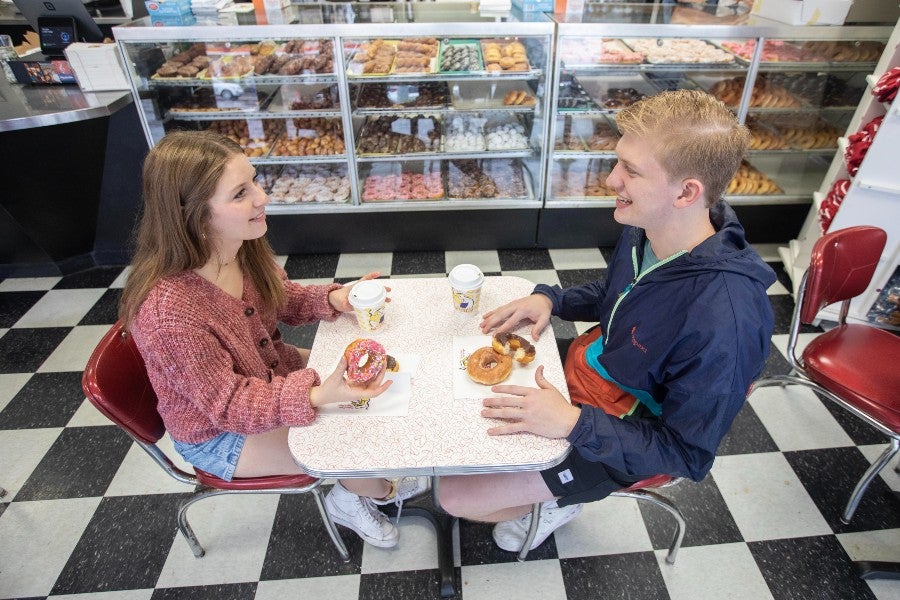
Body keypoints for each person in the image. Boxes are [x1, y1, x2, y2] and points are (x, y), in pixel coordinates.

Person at [438, 90, 776, 552]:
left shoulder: (725, 322)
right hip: (593, 372)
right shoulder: (651, 225)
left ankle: (561, 502)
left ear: (686, 191)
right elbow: (621, 295)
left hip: (632, 432)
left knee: (457, 495)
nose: (610, 180)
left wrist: (574, 425)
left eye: (631, 171)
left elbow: (687, 454)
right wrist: (552, 300)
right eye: (618, 162)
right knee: (460, 413)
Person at [119, 130, 428, 549]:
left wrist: (335, 297)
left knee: (386, 383)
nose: (263, 197)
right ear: (192, 214)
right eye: (241, 192)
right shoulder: (170, 312)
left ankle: (360, 481)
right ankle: (358, 495)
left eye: (256, 180)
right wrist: (318, 396)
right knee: (353, 446)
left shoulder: (238, 246)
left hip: (272, 377)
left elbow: (280, 297)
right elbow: (229, 405)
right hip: (219, 434)